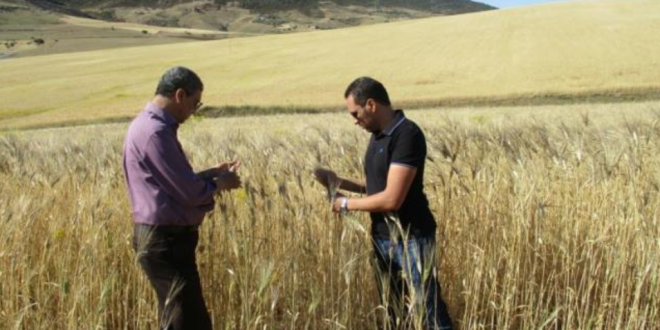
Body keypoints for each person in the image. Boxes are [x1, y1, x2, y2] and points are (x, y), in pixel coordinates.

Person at [314, 77, 453, 330]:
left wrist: (344, 204)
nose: (355, 120)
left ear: (371, 104)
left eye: (356, 113)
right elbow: (375, 185)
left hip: (412, 238)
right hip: (382, 238)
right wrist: (338, 181)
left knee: (429, 312)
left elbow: (392, 198)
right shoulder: (377, 136)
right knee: (395, 313)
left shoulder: (407, 134)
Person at [123, 66, 241, 330]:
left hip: (160, 238)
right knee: (190, 321)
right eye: (194, 103)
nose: (193, 111)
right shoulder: (156, 132)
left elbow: (169, 184)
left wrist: (209, 174)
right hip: (165, 240)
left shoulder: (145, 126)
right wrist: (221, 183)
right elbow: (188, 193)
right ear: (179, 95)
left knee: (177, 318)